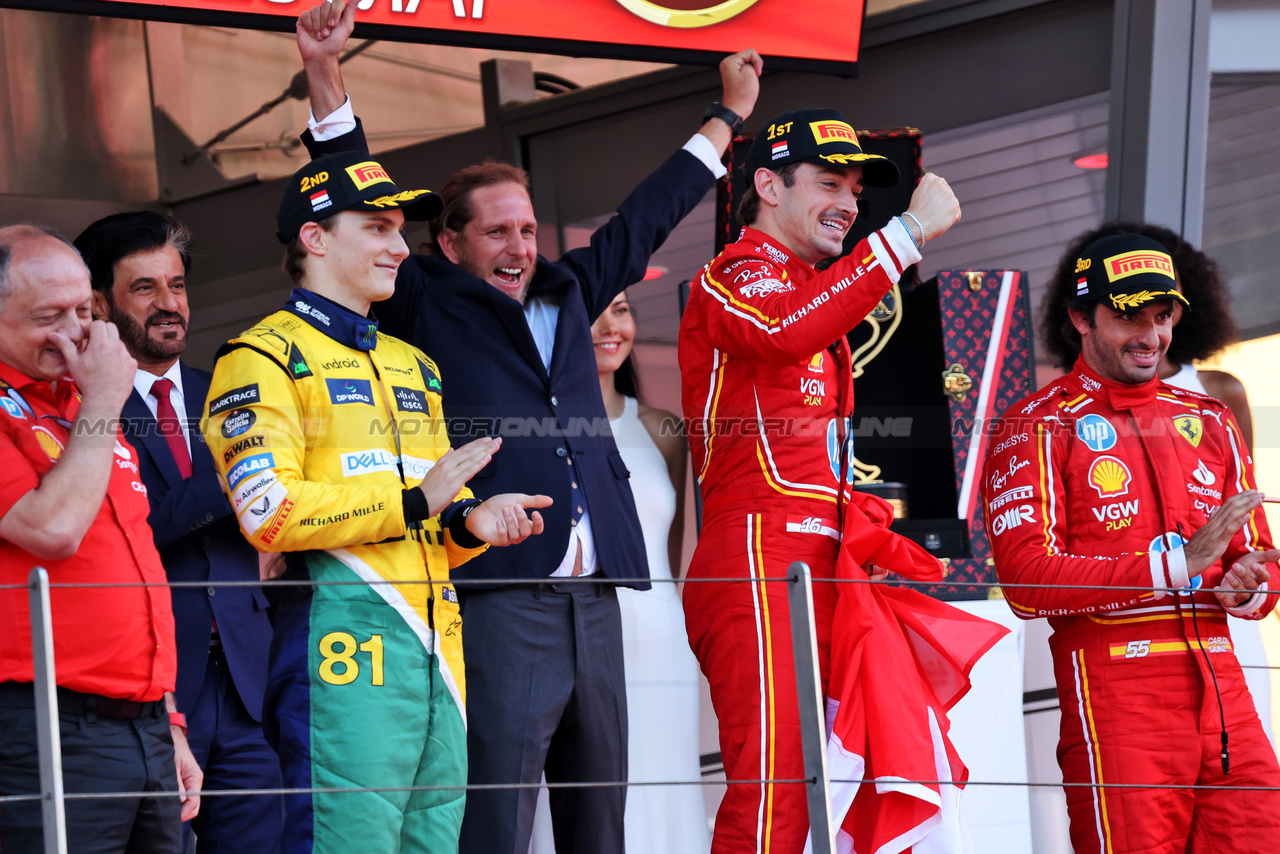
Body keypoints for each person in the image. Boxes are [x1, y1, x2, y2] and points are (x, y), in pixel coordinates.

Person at [293, 4, 761, 852]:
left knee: (599, 821)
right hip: (500, 593)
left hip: (598, 599)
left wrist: (726, 117)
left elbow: (651, 214)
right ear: (448, 242)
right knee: (497, 817)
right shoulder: (426, 300)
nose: (518, 245)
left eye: (527, 228)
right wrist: (327, 80)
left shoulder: (571, 289)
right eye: (496, 231)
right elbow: (362, 201)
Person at [201, 153, 551, 854]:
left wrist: (470, 521)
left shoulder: (411, 363)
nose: (399, 248)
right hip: (340, 657)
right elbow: (269, 510)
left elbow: (428, 513)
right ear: (315, 238)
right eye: (378, 229)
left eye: (399, 231)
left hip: (437, 659)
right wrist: (417, 501)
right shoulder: (260, 357)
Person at [679, 109, 1003, 854]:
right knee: (776, 797)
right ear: (766, 185)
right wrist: (905, 236)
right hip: (759, 565)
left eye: (857, 191)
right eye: (829, 182)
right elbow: (782, 331)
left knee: (843, 789)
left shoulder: (808, 284)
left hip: (826, 570)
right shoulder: (735, 275)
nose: (850, 205)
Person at [984, 231, 1280, 854]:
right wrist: (1180, 562)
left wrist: (1246, 588)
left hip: (1226, 693)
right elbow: (1027, 582)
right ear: (1079, 318)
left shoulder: (1212, 418)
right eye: (1128, 316)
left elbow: (1256, 558)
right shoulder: (1035, 423)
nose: (1151, 335)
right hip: (1118, 698)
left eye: (1163, 315)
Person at [76, 211, 283, 853]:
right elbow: (127, 525)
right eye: (145, 289)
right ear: (98, 303)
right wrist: (233, 468)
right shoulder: (83, 407)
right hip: (158, 691)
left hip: (250, 683)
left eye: (178, 286)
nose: (170, 304)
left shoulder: (225, 394)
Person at [0, 224, 200, 851]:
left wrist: (166, 721)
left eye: (85, 310)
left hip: (141, 723)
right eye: (47, 316)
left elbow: (136, 568)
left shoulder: (81, 404)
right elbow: (52, 531)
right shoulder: (96, 405)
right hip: (45, 725)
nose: (75, 331)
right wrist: (106, 400)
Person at [530, 290, 707, 853]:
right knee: (581, 795)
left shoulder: (663, 428)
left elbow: (671, 553)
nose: (610, 326)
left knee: (665, 783)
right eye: (592, 314)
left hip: (660, 644)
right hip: (571, 639)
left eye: (622, 310)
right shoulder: (537, 429)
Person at [1041, 220, 1253, 448]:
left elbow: (1245, 482)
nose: (1151, 296)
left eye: (1165, 284)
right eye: (1129, 314)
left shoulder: (1221, 393)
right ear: (1082, 317)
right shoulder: (1057, 411)